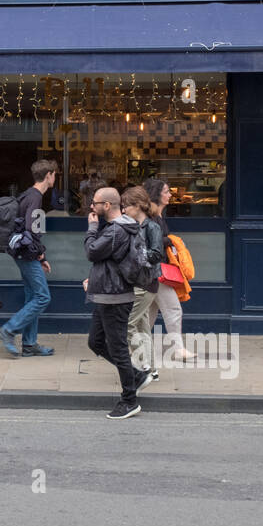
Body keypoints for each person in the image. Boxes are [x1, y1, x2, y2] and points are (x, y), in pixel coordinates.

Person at [84, 185, 156, 419]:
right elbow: (108, 262)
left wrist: (92, 228)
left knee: (118, 348)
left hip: (115, 296)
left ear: (106, 205)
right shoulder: (119, 229)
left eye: (95, 202)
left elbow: (92, 251)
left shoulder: (116, 230)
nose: (91, 207)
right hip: (106, 293)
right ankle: (136, 376)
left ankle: (129, 400)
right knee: (95, 342)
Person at [0, 159, 58, 357]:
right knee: (42, 296)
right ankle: (8, 330)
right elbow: (33, 230)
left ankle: (30, 344)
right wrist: (39, 255)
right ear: (48, 175)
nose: (55, 178)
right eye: (54, 174)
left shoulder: (27, 195)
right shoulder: (36, 198)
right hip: (27, 254)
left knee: (32, 296)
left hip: (23, 252)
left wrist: (41, 255)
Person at [140, 177, 196, 362]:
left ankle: (136, 348)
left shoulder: (156, 215)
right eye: (166, 191)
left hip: (154, 272)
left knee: (150, 313)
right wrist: (171, 241)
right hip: (157, 272)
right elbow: (149, 241)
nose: (170, 195)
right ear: (157, 194)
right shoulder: (152, 217)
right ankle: (178, 349)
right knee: (173, 309)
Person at [125, 180, 167, 377]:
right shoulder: (136, 225)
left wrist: (136, 254)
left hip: (146, 282)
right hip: (139, 281)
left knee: (127, 324)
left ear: (138, 206)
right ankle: (150, 368)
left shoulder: (152, 226)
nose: (124, 210)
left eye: (127, 206)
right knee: (142, 326)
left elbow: (157, 254)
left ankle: (141, 366)